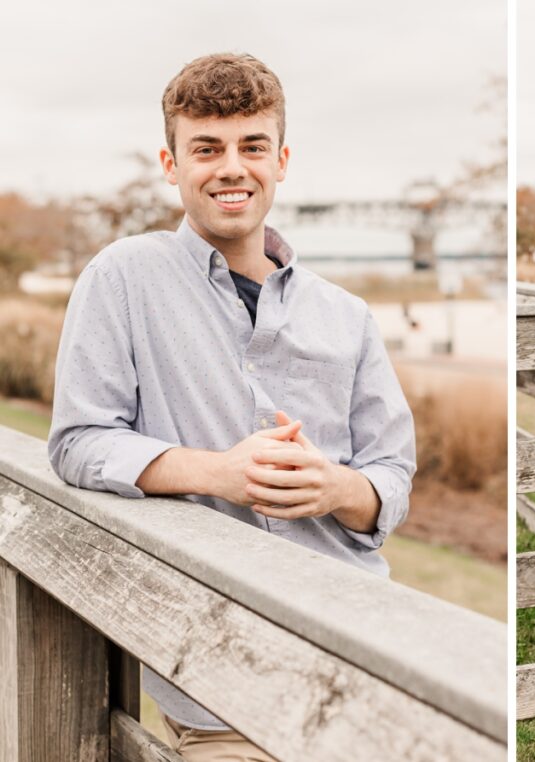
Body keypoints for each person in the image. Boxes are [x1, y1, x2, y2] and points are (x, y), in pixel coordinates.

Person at [48, 53, 415, 760]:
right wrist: (216, 473)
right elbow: (79, 439)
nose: (231, 168)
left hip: (364, 650)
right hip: (218, 683)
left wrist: (337, 487)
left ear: (281, 160)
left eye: (251, 147)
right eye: (206, 149)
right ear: (171, 162)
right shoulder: (122, 277)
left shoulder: (348, 315)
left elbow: (392, 477)